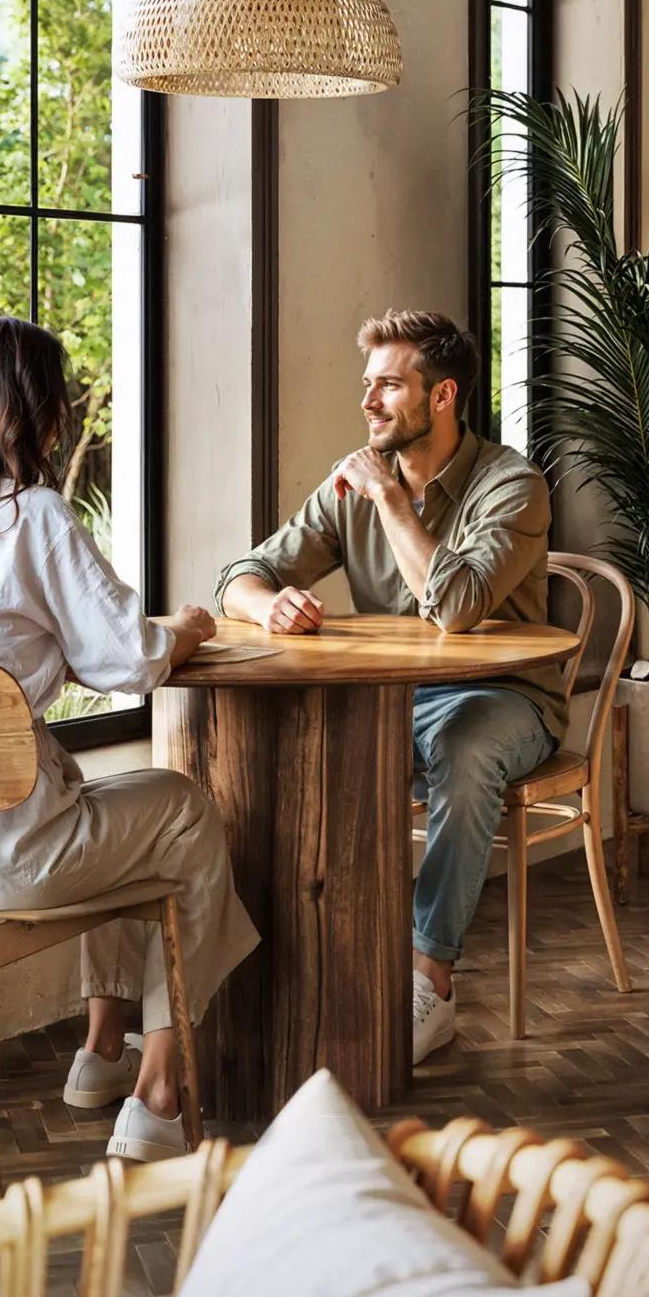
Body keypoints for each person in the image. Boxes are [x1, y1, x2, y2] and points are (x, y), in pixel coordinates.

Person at [0, 312, 258, 1163]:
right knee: (183, 812)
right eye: (54, 401)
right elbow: (131, 658)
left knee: (121, 814)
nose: (62, 417)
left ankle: (100, 1053)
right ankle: (158, 1090)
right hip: (5, 854)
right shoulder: (34, 516)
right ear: (27, 411)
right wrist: (187, 628)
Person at [217, 309, 562, 1063]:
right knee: (290, 750)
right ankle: (302, 967)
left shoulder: (513, 484)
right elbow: (239, 576)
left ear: (441, 397)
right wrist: (266, 603)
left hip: (506, 699)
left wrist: (392, 502)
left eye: (388, 386)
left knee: (465, 748)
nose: (368, 403)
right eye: (366, 386)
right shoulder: (355, 482)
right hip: (392, 700)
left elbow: (460, 607)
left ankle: (428, 980)